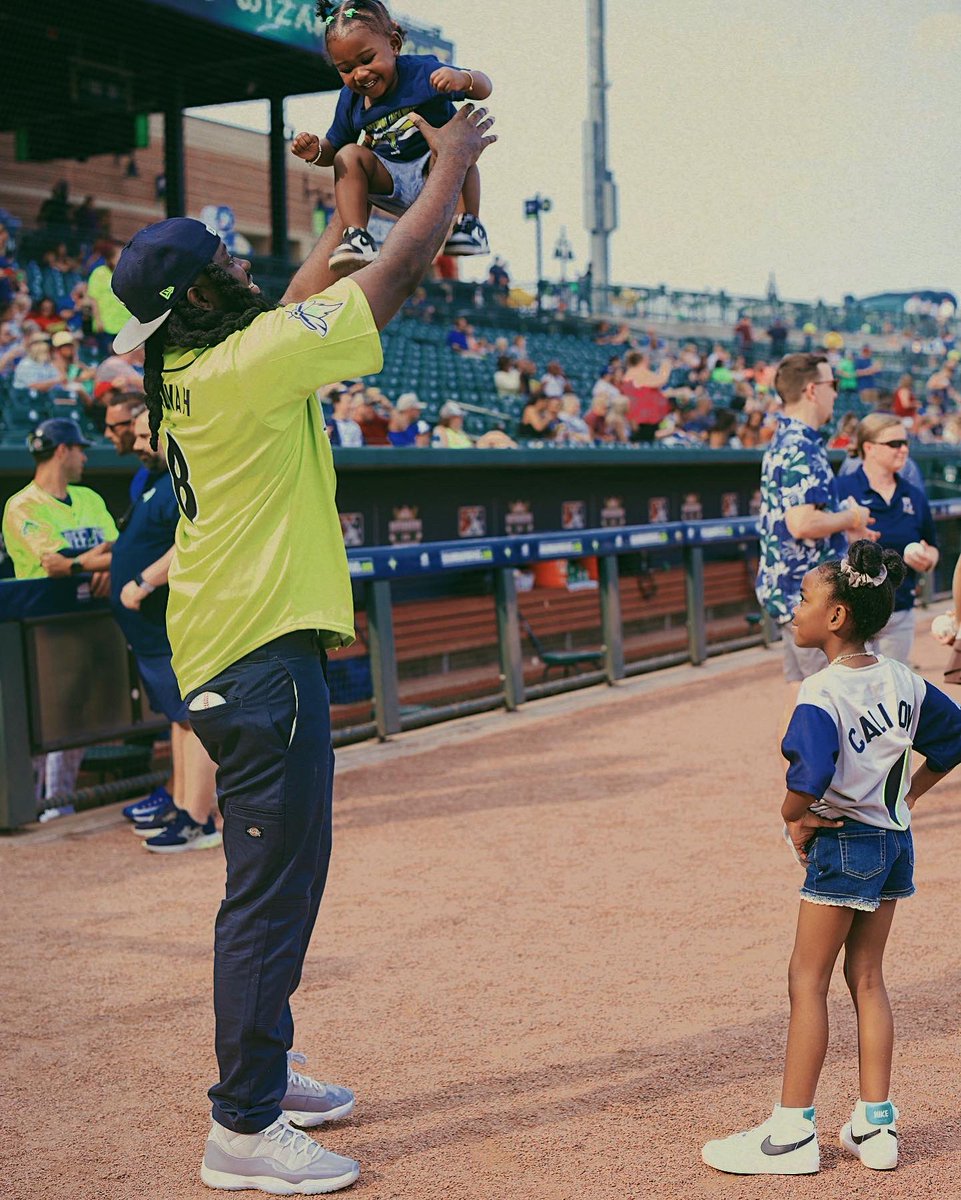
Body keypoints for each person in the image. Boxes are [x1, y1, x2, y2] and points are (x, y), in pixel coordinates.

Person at [110, 100, 495, 1194]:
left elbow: (282, 310)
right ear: (197, 293)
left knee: (269, 884)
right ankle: (242, 1127)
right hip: (257, 662)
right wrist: (448, 168)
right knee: (270, 896)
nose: (239, 266)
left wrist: (343, 211)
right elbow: (399, 277)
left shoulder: (200, 363)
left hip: (236, 651)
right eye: (221, 261)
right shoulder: (239, 369)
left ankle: (265, 1076)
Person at [703, 541, 961, 1177]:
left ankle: (791, 1132)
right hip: (894, 843)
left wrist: (792, 815)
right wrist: (905, 795)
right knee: (868, 978)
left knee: (807, 979)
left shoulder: (820, 688)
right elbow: (954, 739)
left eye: (806, 599)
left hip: (844, 843)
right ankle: (877, 1127)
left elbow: (810, 772)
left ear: (837, 616)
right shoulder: (903, 676)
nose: (796, 609)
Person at [291, 0, 491, 268]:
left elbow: (484, 87)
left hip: (435, 173)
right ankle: (357, 235)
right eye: (346, 69)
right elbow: (335, 148)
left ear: (394, 45)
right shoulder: (350, 100)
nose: (360, 74)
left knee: (459, 146)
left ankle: (468, 223)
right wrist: (316, 152)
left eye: (367, 59)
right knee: (349, 155)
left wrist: (463, 79)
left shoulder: (422, 72)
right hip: (390, 182)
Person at [107, 410, 221, 851]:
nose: (137, 444)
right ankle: (182, 806)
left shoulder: (179, 480)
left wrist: (142, 582)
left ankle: (200, 820)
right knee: (179, 720)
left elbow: (191, 543)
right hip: (150, 631)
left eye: (144, 436)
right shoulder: (153, 480)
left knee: (192, 718)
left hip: (168, 620)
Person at [755, 354, 876, 725]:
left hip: (795, 595)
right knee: (833, 711)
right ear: (812, 389)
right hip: (811, 600)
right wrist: (851, 517)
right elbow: (803, 523)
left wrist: (845, 525)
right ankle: (816, 785)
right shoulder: (800, 444)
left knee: (804, 704)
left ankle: (807, 783)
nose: (836, 395)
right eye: (832, 386)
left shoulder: (789, 438)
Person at [2, 418, 116, 810]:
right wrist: (100, 563)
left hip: (85, 622)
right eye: (80, 448)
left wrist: (100, 565)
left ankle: (59, 804)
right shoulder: (21, 504)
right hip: (40, 626)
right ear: (62, 451)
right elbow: (55, 562)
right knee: (39, 722)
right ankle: (32, 807)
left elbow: (117, 549)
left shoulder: (89, 498)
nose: (86, 455)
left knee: (74, 718)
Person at [835, 414, 938, 663]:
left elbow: (932, 545)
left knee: (891, 692)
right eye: (894, 444)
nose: (903, 449)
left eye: (905, 443)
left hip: (898, 610)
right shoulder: (842, 487)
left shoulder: (913, 494)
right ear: (869, 447)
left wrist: (928, 560)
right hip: (851, 614)